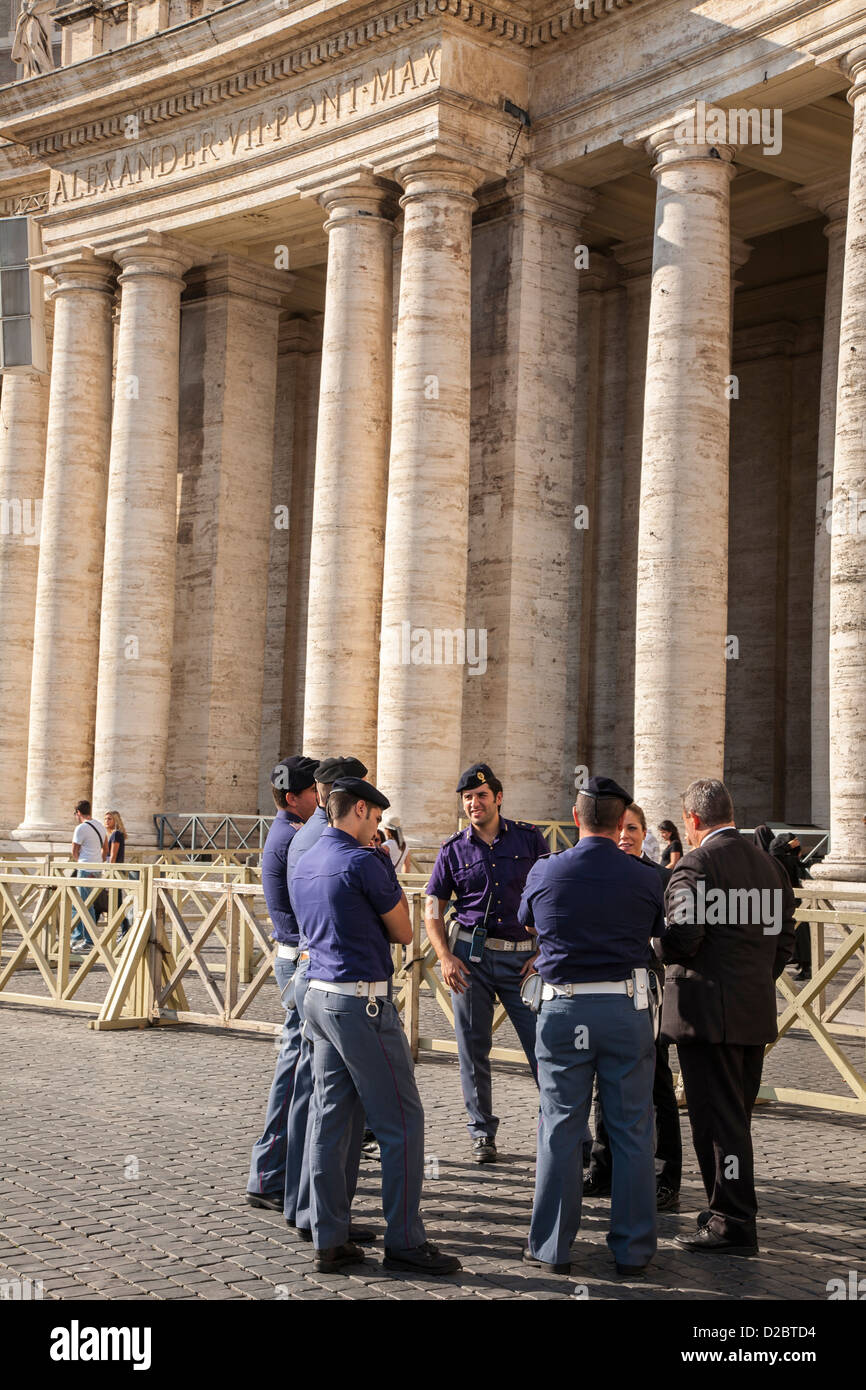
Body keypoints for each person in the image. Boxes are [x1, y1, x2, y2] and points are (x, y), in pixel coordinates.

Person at [293, 775, 461, 1277]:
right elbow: (405, 930)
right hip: (361, 1004)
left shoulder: (307, 859)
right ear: (362, 811)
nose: (377, 829)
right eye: (375, 818)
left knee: (331, 1119)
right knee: (402, 1122)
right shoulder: (364, 861)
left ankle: (329, 1237)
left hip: (318, 997)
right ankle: (405, 1241)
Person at [519, 777, 663, 1277]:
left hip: (562, 1009)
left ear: (576, 817)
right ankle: (634, 1248)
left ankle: (553, 1244)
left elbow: (528, 922)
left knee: (559, 1127)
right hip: (626, 1010)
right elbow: (660, 933)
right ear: (621, 822)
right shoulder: (646, 877)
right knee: (631, 1129)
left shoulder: (545, 871)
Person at [662, 778, 795, 1256]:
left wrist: (657, 945)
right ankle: (729, 1210)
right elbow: (784, 943)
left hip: (706, 1015)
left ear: (693, 821)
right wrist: (752, 979)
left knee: (718, 1124)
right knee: (734, 1119)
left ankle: (732, 1222)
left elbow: (681, 937)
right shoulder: (770, 865)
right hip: (751, 1012)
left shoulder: (695, 864)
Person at [424, 762, 549, 1162]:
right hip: (469, 962)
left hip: (523, 962)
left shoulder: (531, 840)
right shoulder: (452, 850)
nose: (474, 803)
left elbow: (553, 897)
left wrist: (545, 953)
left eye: (481, 796)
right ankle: (482, 1133)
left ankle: (565, 1132)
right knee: (472, 1048)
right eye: (467, 799)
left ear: (498, 797)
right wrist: (444, 956)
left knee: (543, 1047)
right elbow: (432, 908)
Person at [282, 754, 376, 1243]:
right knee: (328, 1104)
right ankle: (316, 1213)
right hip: (332, 978)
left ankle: (307, 1209)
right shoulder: (332, 842)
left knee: (313, 1098)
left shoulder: (307, 835)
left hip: (309, 972)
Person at [585, 802, 681, 1212]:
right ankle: (603, 1167)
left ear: (646, 835)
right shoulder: (596, 872)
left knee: (657, 1082)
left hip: (645, 990)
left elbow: (672, 937)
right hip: (602, 989)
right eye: (621, 828)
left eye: (634, 829)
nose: (625, 835)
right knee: (601, 1083)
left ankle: (665, 1176)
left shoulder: (661, 878)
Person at [245, 755, 318, 1210]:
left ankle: (296, 1165)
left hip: (295, 959)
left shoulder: (288, 833)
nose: (321, 800)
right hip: (299, 960)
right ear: (294, 798)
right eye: (315, 793)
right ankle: (269, 1174)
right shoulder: (294, 840)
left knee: (302, 1067)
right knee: (294, 1072)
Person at [770, 832, 812, 981]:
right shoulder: (790, 859)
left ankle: (805, 966)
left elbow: (774, 851)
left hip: (791, 902)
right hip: (793, 901)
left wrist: (787, 846)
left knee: (799, 934)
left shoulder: (783, 860)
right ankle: (801, 962)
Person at [70, 800, 106, 950]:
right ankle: (77, 936)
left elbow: (74, 851)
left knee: (84, 904)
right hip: (97, 869)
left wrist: (82, 863)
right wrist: (97, 862)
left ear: (78, 812)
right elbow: (106, 849)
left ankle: (88, 939)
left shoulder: (80, 828)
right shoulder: (100, 826)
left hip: (85, 869)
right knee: (83, 903)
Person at [102, 810, 133, 939]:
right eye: (105, 819)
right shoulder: (114, 835)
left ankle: (125, 929)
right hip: (113, 871)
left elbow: (113, 856)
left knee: (116, 902)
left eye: (109, 819)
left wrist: (109, 871)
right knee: (113, 902)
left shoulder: (116, 835)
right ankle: (123, 929)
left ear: (115, 821)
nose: (106, 821)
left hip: (114, 871)